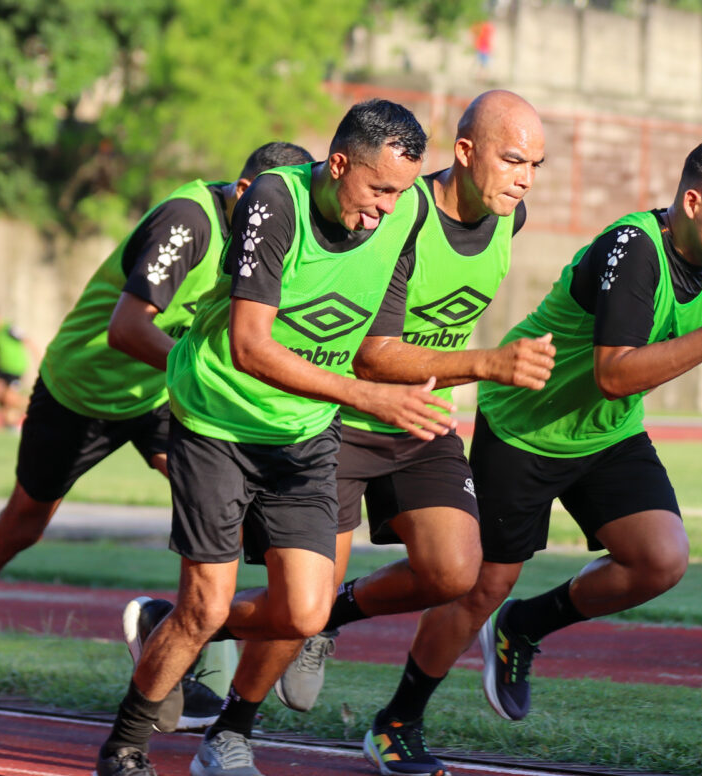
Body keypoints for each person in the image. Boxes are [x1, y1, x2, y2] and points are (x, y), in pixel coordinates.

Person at [367, 139, 702, 776]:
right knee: (481, 586)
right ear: (693, 202)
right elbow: (615, 373)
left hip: (608, 434)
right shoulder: (634, 248)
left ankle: (526, 626)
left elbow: (621, 392)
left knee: (660, 558)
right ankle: (396, 722)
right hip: (526, 426)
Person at [93, 99, 455, 776]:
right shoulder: (274, 199)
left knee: (305, 611)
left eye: (399, 193)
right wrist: (367, 394)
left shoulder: (403, 210)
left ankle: (182, 662)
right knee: (203, 608)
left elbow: (382, 330)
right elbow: (250, 345)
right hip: (217, 423)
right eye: (376, 188)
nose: (384, 209)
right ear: (338, 163)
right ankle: (124, 748)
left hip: (303, 433)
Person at [203, 90, 551, 776]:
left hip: (415, 419)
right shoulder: (402, 214)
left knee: (454, 569)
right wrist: (485, 364)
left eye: (536, 163)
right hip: (344, 416)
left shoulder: (513, 220)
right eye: (513, 159)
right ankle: (227, 718)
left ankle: (306, 621)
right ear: (465, 152)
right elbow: (370, 351)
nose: (525, 177)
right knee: (292, 603)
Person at [0, 141, 315, 735]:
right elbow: (126, 329)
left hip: (159, 397)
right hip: (81, 391)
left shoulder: (271, 240)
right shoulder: (190, 222)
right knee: (22, 524)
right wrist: (207, 375)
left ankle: (178, 646)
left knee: (228, 511)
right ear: (243, 193)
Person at [0, 307, 33, 431]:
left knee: (11, 398)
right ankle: (10, 420)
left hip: (15, 370)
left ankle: (36, 406)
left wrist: (40, 358)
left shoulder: (8, 328)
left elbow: (28, 340)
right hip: (2, 369)